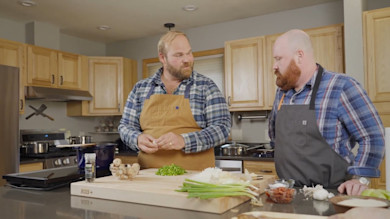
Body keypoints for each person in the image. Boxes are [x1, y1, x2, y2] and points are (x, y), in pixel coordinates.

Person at [268, 29, 385, 196]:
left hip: (332, 195)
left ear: (299, 56)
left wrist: (361, 178)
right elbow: (275, 138)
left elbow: (373, 136)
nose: (274, 65)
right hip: (289, 194)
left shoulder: (342, 86)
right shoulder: (282, 93)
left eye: (279, 58)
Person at [118, 31, 231, 170]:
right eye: (179, 55)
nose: (187, 59)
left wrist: (184, 140)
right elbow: (125, 126)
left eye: (189, 53)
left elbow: (222, 127)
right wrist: (137, 138)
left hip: (196, 178)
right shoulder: (140, 88)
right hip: (149, 177)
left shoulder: (206, 86)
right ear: (162, 57)